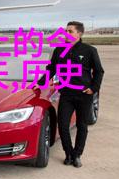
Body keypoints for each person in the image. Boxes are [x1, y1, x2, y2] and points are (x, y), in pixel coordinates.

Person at [34, 21, 104, 168]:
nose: (66, 33)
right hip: (66, 94)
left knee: (82, 125)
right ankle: (69, 153)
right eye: (66, 31)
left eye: (70, 31)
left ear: (79, 33)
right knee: (63, 125)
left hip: (84, 94)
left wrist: (93, 88)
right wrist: (40, 83)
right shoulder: (59, 50)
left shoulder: (89, 50)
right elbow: (52, 69)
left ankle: (77, 155)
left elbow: (99, 71)